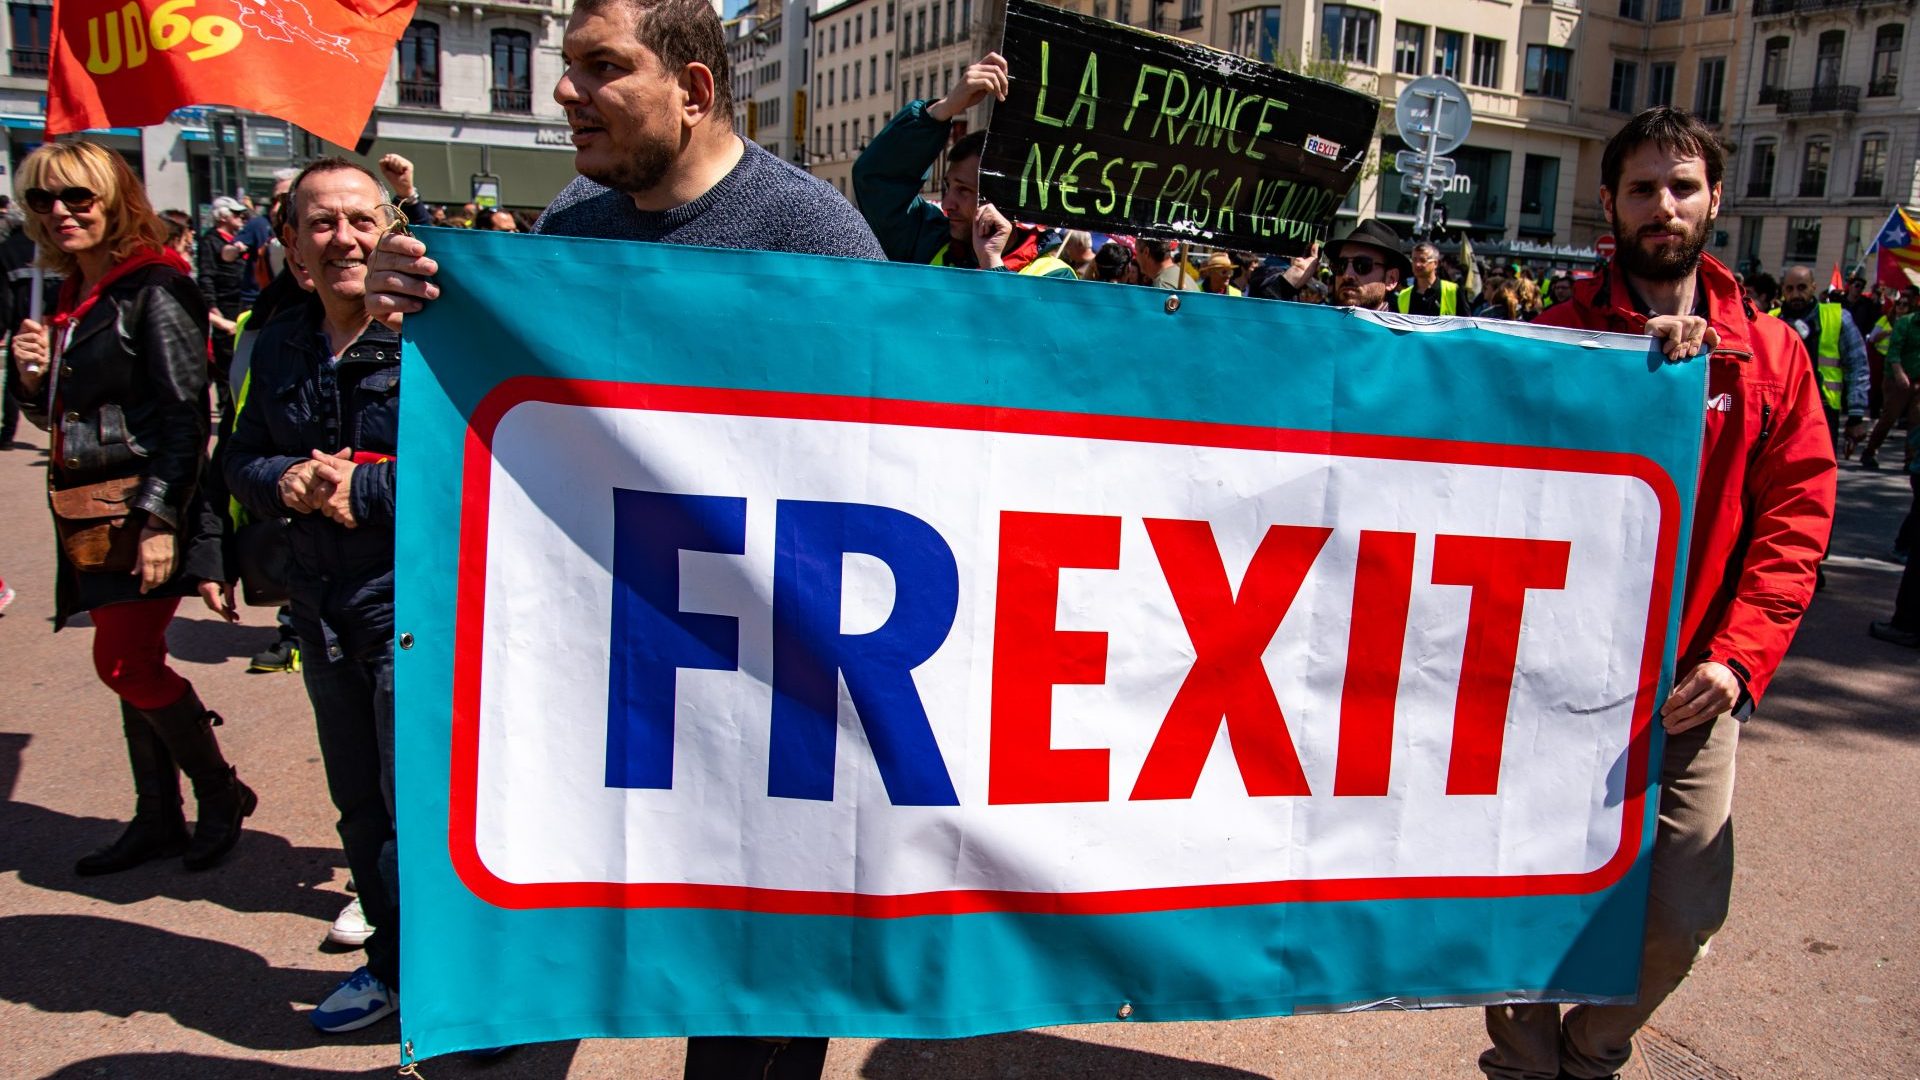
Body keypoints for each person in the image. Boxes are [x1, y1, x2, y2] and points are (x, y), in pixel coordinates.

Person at [362, 0, 880, 1068]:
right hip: (606, 668)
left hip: (765, 689)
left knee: (755, 995)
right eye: (565, 68)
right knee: (558, 924)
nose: (565, 94)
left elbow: (889, 454)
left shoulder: (813, 236)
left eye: (602, 68)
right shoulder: (572, 233)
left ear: (692, 91)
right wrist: (417, 311)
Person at [1490, 106, 1835, 1080]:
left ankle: (1593, 1051)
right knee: (1520, 894)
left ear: (1715, 200)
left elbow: (1795, 522)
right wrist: (1626, 382)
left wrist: (1739, 660)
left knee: (1686, 909)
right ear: (1609, 204)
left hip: (1693, 682)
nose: (1663, 206)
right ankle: (1520, 1067)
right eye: (1642, 187)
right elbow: (1495, 478)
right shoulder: (1556, 338)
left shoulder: (1769, 355)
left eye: (1682, 186)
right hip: (1548, 680)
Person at [9, 140, 255, 878]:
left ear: (115, 202)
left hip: (138, 511)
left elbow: (186, 416)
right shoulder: (71, 294)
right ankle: (157, 816)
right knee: (135, 662)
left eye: (78, 198)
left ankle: (219, 792)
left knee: (121, 662)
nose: (60, 213)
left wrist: (158, 520)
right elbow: (66, 417)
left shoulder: (155, 286)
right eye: (44, 200)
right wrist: (30, 379)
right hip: (88, 511)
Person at [225, 157, 408, 1034]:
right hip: (318, 615)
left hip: (414, 617)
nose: (344, 238)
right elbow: (238, 458)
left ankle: (457, 990)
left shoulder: (433, 340)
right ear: (293, 248)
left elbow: (488, 466)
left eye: (360, 219)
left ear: (390, 229)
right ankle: (391, 970)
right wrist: (286, 476)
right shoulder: (280, 339)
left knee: (421, 812)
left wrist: (363, 492)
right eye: (321, 223)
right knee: (359, 809)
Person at [851, 52, 1076, 279]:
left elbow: (1004, 315)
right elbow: (876, 178)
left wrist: (992, 264)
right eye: (948, 187)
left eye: (964, 190)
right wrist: (943, 109)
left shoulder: (1055, 276)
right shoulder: (930, 241)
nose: (947, 204)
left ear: (1003, 199)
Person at [1773, 265, 1869, 455]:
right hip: (1778, 413)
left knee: (1818, 477)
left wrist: (1856, 416)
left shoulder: (1838, 317)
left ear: (1813, 287)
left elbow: (1858, 367)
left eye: (1802, 287)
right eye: (1789, 289)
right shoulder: (1770, 319)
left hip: (1822, 411)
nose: (1795, 294)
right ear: (1783, 290)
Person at [1861, 291, 1917, 471]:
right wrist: (1900, 373)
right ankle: (1869, 452)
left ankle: (1912, 461)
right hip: (1896, 380)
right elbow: (1893, 352)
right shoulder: (1906, 323)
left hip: (1917, 381)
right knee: (1889, 418)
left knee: (1916, 420)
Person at [1325, 219, 1408, 310]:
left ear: (1391, 279)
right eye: (1340, 265)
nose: (1347, 275)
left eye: (1362, 265)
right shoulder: (1317, 321)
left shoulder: (1398, 324)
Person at [1395, 241, 1459, 315]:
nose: (1417, 264)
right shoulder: (1403, 296)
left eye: (1423, 260)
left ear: (1435, 263)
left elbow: (1468, 324)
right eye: (1414, 260)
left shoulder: (1453, 290)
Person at [1134, 237, 1199, 291]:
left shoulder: (1162, 286)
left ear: (1146, 252)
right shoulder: (1182, 276)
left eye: (1137, 252)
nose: (1136, 258)